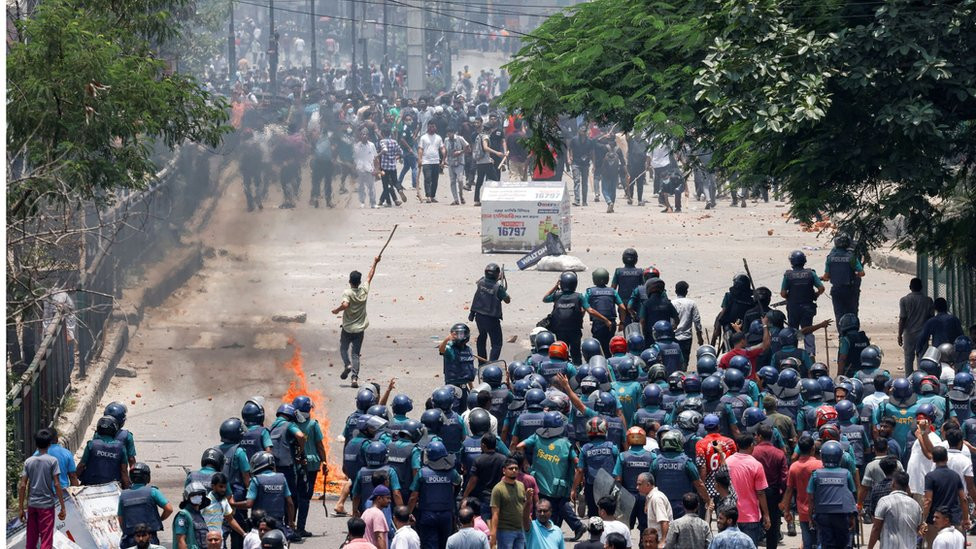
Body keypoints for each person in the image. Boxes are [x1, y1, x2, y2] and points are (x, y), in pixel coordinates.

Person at [544, 272, 613, 365]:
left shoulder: (557, 296)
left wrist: (555, 286)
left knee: (562, 352)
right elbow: (590, 310)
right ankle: (577, 370)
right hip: (574, 330)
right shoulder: (579, 296)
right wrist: (605, 320)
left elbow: (545, 298)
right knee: (576, 353)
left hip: (560, 330)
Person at [333, 256, 382, 389]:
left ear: (350, 281)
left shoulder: (347, 292)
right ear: (359, 282)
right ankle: (354, 378)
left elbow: (345, 304)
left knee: (343, 348)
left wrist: (337, 310)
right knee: (356, 353)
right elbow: (370, 276)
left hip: (348, 328)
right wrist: (375, 262)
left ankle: (347, 364)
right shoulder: (364, 291)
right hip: (359, 329)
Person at [18, 429, 68, 549]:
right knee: (46, 538)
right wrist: (62, 506)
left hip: (32, 504)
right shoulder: (52, 461)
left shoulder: (28, 461)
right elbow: (56, 484)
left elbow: (23, 485)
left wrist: (20, 508)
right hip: (46, 505)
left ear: (36, 444)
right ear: (49, 444)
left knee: (31, 537)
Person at [807, 440, 857, 549]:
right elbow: (851, 496)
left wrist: (810, 517)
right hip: (842, 515)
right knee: (842, 544)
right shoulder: (846, 474)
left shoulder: (815, 475)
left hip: (822, 515)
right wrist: (852, 516)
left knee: (826, 543)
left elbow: (810, 498)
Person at [724, 434, 770, 545]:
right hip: (750, 517)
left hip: (730, 514)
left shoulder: (727, 462)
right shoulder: (756, 465)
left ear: (737, 445)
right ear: (751, 446)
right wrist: (766, 515)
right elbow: (760, 492)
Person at [292, 396, 327, 538]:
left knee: (294, 497)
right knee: (305, 498)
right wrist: (324, 462)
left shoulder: (291, 425)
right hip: (311, 466)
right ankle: (300, 528)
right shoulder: (313, 425)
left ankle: (290, 525)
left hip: (295, 465)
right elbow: (320, 446)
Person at [780, 250, 825, 357]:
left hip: (793, 307)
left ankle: (792, 353)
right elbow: (821, 288)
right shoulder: (811, 273)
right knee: (808, 330)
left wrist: (789, 297)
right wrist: (816, 295)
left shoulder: (788, 275)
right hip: (808, 307)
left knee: (792, 330)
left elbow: (782, 293)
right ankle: (810, 354)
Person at [118, 462, 173, 548]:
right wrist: (159, 519)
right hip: (148, 538)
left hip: (129, 539)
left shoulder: (123, 495)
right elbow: (169, 509)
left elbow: (120, 518)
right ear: (147, 477)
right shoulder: (153, 491)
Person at [922, 446, 969, 546]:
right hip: (954, 520)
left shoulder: (930, 477)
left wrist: (923, 520)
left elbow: (928, 500)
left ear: (933, 459)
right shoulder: (955, 476)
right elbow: (963, 499)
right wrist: (965, 519)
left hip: (935, 522)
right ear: (947, 458)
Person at [751, 424, 787, 549]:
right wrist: (783, 497)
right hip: (773, 494)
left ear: (759, 436)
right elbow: (784, 478)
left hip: (754, 493)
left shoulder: (753, 452)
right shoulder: (779, 454)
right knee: (772, 528)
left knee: (753, 525)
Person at [868, 471, 923, 549]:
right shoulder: (916, 505)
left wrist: (869, 547)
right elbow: (918, 529)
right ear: (907, 486)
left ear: (893, 484)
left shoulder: (884, 501)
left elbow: (876, 528)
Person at [469, 263, 511, 363]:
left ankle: (482, 363)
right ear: (496, 275)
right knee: (496, 344)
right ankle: (491, 364)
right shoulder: (498, 287)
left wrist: (497, 280)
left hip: (479, 316)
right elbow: (507, 300)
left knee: (482, 338)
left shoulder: (481, 282)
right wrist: (501, 283)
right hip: (491, 319)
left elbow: (485, 283)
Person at [820, 232, 865, 324]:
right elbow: (861, 273)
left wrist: (824, 278)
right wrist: (853, 274)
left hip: (837, 290)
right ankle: (853, 334)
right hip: (850, 290)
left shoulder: (830, 258)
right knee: (853, 313)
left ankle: (841, 334)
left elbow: (826, 276)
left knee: (839, 314)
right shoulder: (851, 257)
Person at [77, 415, 130, 487]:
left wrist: (74, 478)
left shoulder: (92, 444)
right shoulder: (121, 448)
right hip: (113, 487)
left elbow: (81, 465)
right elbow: (124, 471)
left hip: (90, 485)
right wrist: (127, 489)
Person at [490, 459, 528, 549]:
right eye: (511, 469)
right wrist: (493, 535)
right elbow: (495, 513)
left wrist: (529, 498)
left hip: (519, 529)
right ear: (504, 470)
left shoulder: (521, 485)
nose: (514, 471)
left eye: (516, 468)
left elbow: (522, 506)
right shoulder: (498, 489)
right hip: (505, 531)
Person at [900, 278, 935, 373]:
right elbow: (931, 318)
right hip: (923, 334)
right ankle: (921, 377)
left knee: (908, 358)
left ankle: (908, 378)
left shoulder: (904, 300)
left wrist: (899, 334)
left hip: (909, 333)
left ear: (910, 287)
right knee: (922, 357)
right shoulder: (928, 300)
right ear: (921, 287)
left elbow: (902, 318)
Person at [672, 281, 704, 368]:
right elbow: (697, 321)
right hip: (687, 337)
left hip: (673, 337)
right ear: (686, 291)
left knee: (674, 360)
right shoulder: (691, 303)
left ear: (675, 291)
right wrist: (700, 337)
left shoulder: (672, 303)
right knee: (685, 361)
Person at [173, 481, 211, 549]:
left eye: (200, 494)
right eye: (194, 495)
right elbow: (181, 541)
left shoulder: (199, 515)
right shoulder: (183, 515)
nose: (198, 497)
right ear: (187, 497)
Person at [637, 472, 672, 544]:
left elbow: (664, 521)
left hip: (659, 541)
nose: (637, 487)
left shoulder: (656, 498)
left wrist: (663, 541)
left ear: (648, 485)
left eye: (639, 484)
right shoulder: (650, 497)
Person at [418, 121, 446, 203]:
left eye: (433, 126)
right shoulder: (423, 137)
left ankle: (433, 196)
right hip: (426, 161)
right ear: (427, 127)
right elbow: (420, 149)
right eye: (430, 126)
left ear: (435, 127)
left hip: (436, 161)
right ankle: (428, 196)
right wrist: (419, 159)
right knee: (427, 179)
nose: (431, 128)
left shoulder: (438, 138)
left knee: (435, 180)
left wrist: (444, 157)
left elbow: (442, 148)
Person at [353, 127, 380, 208]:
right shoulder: (356, 146)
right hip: (360, 169)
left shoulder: (371, 145)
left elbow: (375, 158)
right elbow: (354, 158)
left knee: (371, 187)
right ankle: (362, 202)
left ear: (368, 136)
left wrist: (376, 169)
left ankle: (373, 203)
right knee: (361, 187)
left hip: (370, 169)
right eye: (362, 134)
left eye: (366, 134)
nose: (364, 136)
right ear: (360, 136)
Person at [378, 126, 403, 207]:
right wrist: (397, 156)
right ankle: (399, 189)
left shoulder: (382, 141)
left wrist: (378, 155)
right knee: (395, 181)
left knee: (385, 185)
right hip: (393, 166)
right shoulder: (394, 142)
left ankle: (388, 202)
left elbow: (384, 150)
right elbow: (400, 151)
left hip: (384, 167)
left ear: (382, 133)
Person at [568, 125, 593, 207]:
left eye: (584, 131)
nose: (583, 132)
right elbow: (570, 149)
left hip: (585, 164)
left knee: (584, 183)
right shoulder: (574, 140)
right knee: (576, 181)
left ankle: (584, 201)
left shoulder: (589, 141)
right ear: (579, 131)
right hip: (576, 163)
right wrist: (570, 157)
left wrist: (594, 164)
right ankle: (577, 200)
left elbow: (592, 153)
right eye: (582, 131)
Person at [445, 126, 470, 205]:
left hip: (459, 162)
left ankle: (461, 195)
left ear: (454, 132)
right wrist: (443, 161)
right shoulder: (446, 140)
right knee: (452, 181)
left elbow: (468, 148)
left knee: (460, 180)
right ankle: (456, 199)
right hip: (450, 163)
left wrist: (460, 152)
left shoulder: (460, 139)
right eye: (448, 134)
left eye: (450, 133)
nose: (449, 135)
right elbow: (445, 151)